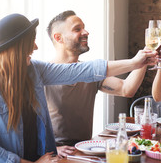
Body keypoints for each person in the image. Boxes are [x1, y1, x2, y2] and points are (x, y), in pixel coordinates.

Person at [0, 13, 156, 163]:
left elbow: (82, 71)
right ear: (17, 48)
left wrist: (134, 62)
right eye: (32, 41)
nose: (36, 47)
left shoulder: (35, 71)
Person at [45, 10, 149, 151]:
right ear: (58, 38)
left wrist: (146, 57)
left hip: (85, 150)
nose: (86, 32)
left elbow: (127, 89)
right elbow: (26, 126)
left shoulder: (88, 73)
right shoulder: (44, 76)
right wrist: (51, 149)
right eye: (77, 29)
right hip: (55, 155)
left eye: (84, 27)